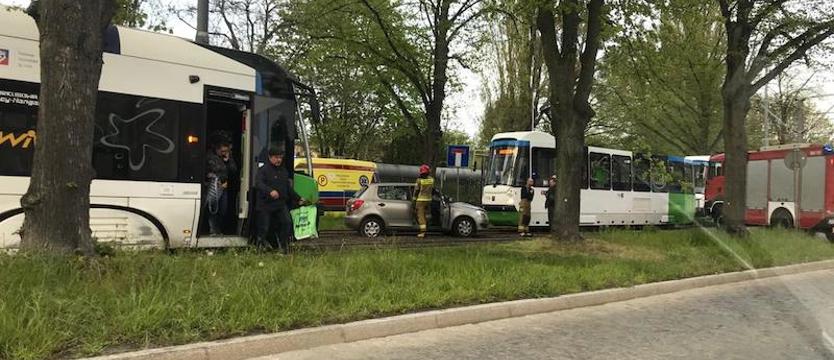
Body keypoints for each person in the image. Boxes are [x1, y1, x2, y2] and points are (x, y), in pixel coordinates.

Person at [255, 147, 303, 254]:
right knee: (264, 228)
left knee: (287, 223)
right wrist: (270, 191)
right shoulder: (263, 170)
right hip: (265, 204)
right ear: (270, 157)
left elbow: (288, 188)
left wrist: (299, 198)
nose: (279, 160)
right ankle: (259, 248)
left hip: (280, 204)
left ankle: (283, 246)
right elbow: (259, 184)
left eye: (280, 158)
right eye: (276, 158)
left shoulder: (283, 171)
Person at [205, 135, 238, 235]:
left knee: (223, 209)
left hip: (224, 186)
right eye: (222, 151)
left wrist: (228, 161)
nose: (224, 153)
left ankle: (218, 228)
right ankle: (213, 229)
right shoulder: (210, 156)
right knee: (213, 208)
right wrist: (213, 177)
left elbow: (233, 170)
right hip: (213, 186)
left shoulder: (228, 157)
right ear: (217, 149)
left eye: (226, 151)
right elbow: (208, 170)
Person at [413, 164, 434, 238]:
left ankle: (423, 232)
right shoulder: (431, 180)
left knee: (420, 216)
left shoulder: (419, 180)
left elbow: (416, 191)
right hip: (429, 200)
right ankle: (427, 228)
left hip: (421, 200)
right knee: (427, 215)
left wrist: (414, 200)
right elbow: (433, 190)